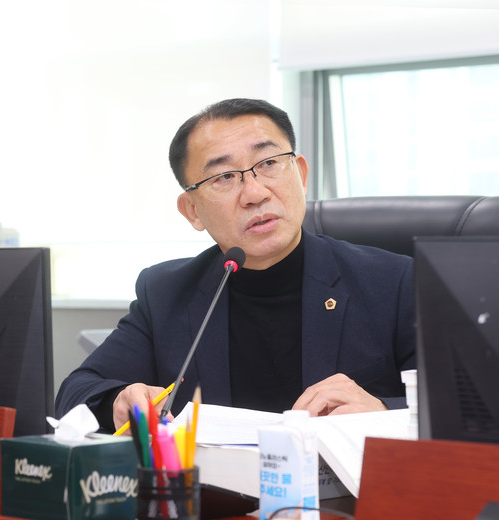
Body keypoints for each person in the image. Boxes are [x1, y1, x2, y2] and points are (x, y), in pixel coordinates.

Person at [55, 98, 415, 433]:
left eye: (269, 163)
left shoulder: (394, 282)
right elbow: (76, 392)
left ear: (301, 175)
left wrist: (383, 411)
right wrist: (119, 401)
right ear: (192, 211)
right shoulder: (166, 293)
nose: (255, 193)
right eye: (224, 177)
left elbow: (447, 406)